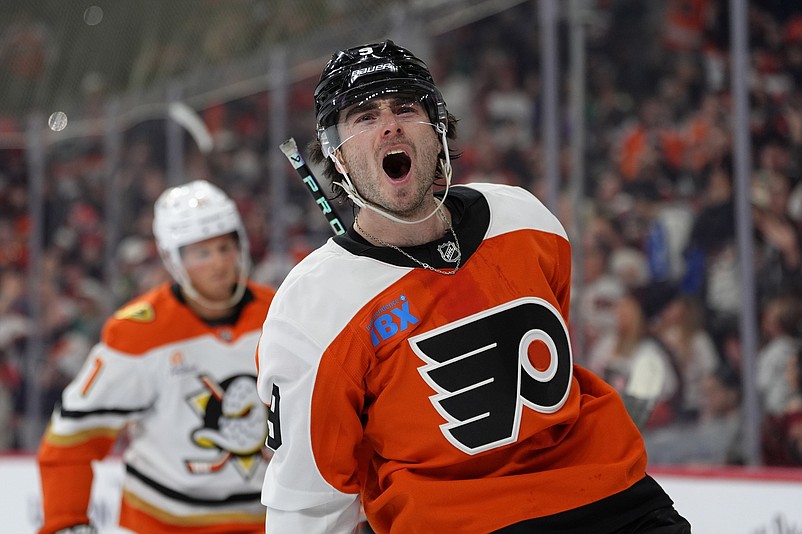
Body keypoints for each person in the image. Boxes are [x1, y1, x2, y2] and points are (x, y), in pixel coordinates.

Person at [255, 40, 691, 533]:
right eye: (364, 116)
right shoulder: (312, 310)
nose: (391, 125)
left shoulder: (522, 218)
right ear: (335, 157)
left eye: (405, 107)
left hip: (616, 503)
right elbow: (308, 501)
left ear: (438, 129)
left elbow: (554, 329)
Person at [37, 180, 276, 534]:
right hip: (160, 524)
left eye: (226, 247)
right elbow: (74, 435)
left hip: (268, 521)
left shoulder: (281, 313)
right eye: (201, 253)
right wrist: (65, 520)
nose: (220, 264)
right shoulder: (136, 333)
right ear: (172, 259)